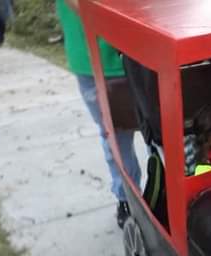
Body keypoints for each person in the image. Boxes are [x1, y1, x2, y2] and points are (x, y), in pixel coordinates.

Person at [56, 0, 142, 228]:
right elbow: (82, 8)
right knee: (116, 137)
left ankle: (175, 197)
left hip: (147, 49)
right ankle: (128, 200)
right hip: (94, 58)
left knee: (169, 132)